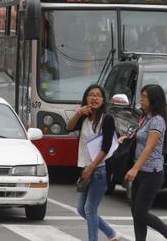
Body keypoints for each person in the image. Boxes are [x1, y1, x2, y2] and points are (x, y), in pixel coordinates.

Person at [124, 85, 167, 241]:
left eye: (144, 97)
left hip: (152, 173)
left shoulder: (157, 120)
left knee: (141, 212)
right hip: (141, 171)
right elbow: (139, 139)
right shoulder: (145, 117)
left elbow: (149, 148)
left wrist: (134, 169)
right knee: (136, 212)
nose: (141, 100)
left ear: (153, 100)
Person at [67, 84, 119, 241]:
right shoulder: (84, 116)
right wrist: (78, 113)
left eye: (98, 95)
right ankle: (111, 233)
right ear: (86, 98)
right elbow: (68, 127)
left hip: (99, 170)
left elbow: (106, 147)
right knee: (81, 209)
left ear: (103, 100)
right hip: (84, 168)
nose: (95, 98)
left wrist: (92, 166)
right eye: (91, 95)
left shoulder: (107, 118)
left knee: (89, 209)